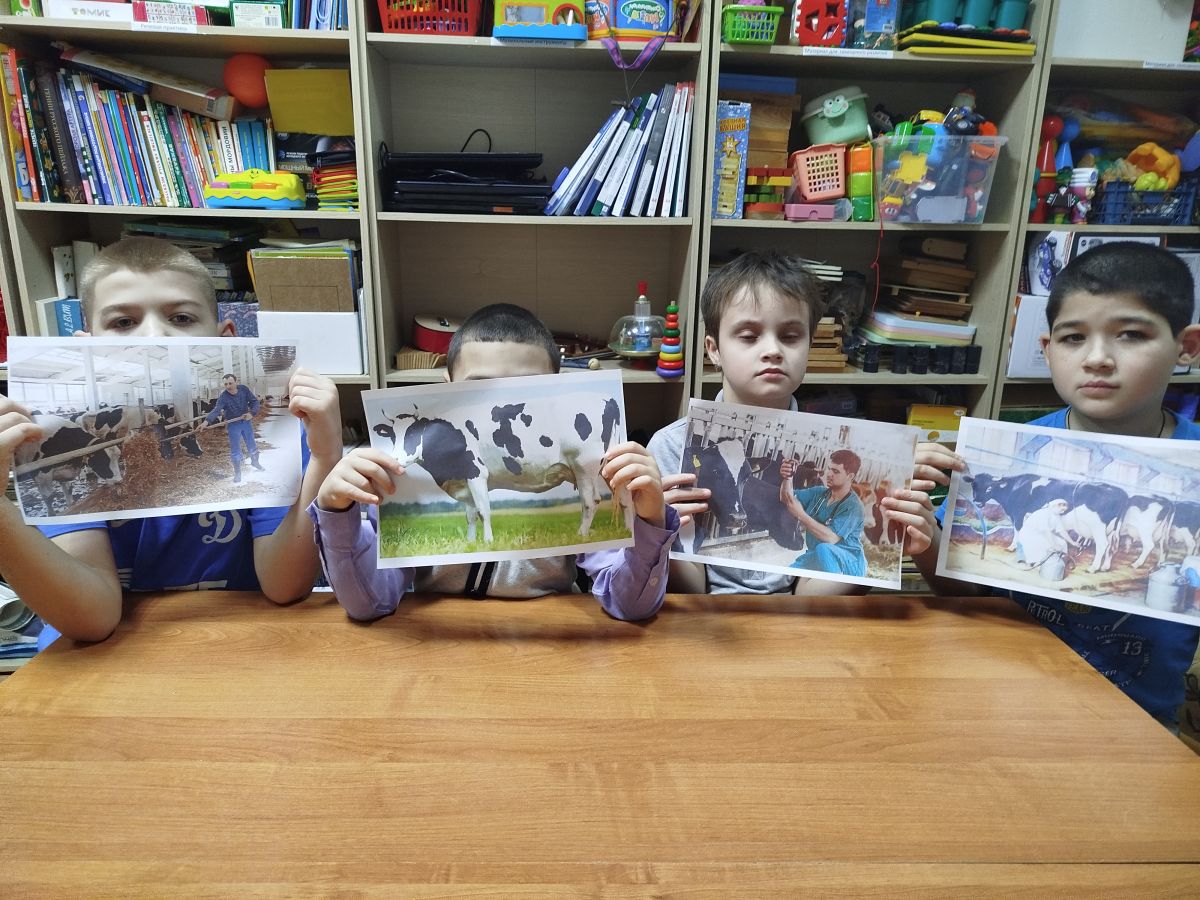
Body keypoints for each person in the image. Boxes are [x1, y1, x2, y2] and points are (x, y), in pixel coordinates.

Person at [0, 236, 343, 644]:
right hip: (104, 657)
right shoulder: (63, 442)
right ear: (85, 347)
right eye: (123, 323)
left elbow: (284, 586)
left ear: (226, 338)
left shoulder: (282, 434)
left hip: (237, 640)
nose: (152, 337)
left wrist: (325, 457)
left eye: (180, 318)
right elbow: (93, 620)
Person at [913, 242, 1200, 730]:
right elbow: (959, 588)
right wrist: (921, 536)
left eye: (1131, 335)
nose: (1098, 359)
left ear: (1187, 347)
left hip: (1138, 721)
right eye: (1073, 338)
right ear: (1047, 350)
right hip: (994, 698)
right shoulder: (1004, 451)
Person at [309, 303, 679, 622]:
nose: (501, 407)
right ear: (445, 385)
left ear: (556, 388)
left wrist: (650, 519)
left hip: (548, 640)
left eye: (527, 389)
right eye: (480, 386)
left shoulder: (579, 464)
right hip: (438, 644)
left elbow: (629, 604)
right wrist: (337, 512)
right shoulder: (406, 471)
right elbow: (369, 603)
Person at [647, 249, 934, 594]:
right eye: (749, 336)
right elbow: (690, 590)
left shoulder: (835, 456)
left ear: (810, 345)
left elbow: (806, 595)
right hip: (705, 619)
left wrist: (875, 556)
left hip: (800, 618)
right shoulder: (671, 448)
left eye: (790, 336)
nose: (772, 350)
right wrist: (654, 527)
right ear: (713, 349)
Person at [779, 449, 867, 577]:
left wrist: (801, 515)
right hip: (816, 556)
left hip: (848, 563)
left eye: (836, 471)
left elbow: (831, 538)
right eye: (829, 469)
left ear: (850, 476)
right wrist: (788, 477)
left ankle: (836, 585)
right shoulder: (820, 493)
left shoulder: (854, 507)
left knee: (824, 548)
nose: (829, 474)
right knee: (786, 577)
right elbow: (786, 498)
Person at [201, 373, 263, 483]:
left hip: (246, 421)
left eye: (230, 383)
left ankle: (255, 462)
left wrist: (252, 413)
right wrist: (206, 422)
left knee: (251, 444)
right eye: (225, 384)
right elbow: (216, 410)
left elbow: (254, 402)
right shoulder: (223, 397)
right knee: (235, 449)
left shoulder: (243, 389)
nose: (228, 386)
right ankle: (238, 473)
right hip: (233, 424)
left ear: (236, 382)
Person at [1013, 498, 1080, 572]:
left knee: (1062, 542)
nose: (1063, 511)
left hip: (1041, 534)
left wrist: (1072, 542)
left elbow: (1061, 531)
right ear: (1055, 506)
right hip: (1029, 534)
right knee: (1045, 545)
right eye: (1062, 509)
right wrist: (1053, 545)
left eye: (1064, 510)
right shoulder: (1043, 513)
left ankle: (1060, 561)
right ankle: (1036, 563)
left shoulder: (1056, 516)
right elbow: (1046, 531)